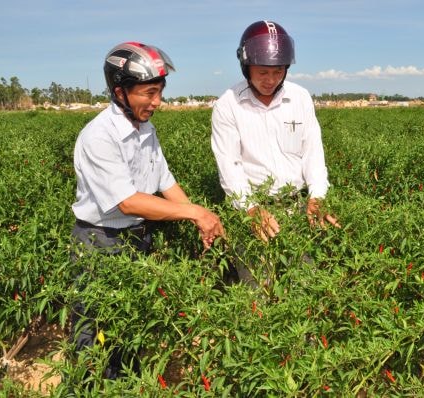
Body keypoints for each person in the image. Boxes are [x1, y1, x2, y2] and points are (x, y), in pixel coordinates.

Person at [70, 41, 225, 380]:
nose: (157, 102)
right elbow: (129, 201)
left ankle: (125, 383)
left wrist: (205, 219)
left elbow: (165, 183)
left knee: (129, 324)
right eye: (149, 93)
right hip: (101, 241)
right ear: (120, 91)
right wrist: (196, 213)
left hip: (137, 237)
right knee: (93, 328)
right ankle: (87, 385)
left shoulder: (146, 130)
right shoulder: (100, 135)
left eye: (160, 93)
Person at [211, 20, 340, 243]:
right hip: (253, 211)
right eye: (262, 72)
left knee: (305, 276)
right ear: (246, 66)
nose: (270, 80)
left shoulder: (300, 98)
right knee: (258, 278)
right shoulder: (228, 105)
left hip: (299, 207)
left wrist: (317, 197)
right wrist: (251, 209)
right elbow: (230, 166)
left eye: (278, 71)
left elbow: (313, 155)